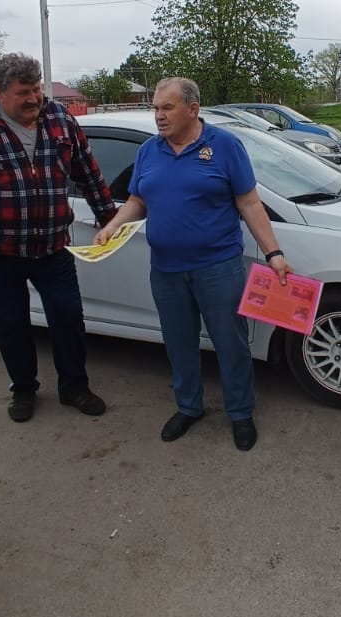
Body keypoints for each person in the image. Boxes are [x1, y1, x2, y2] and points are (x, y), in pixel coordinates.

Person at [92, 77, 292, 451]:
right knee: (179, 343)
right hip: (166, 269)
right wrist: (113, 226)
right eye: (155, 108)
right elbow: (138, 200)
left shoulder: (225, 146)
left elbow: (249, 203)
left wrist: (274, 253)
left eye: (167, 108)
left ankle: (240, 412)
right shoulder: (150, 150)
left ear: (192, 109)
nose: (159, 116)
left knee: (230, 343)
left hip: (218, 266)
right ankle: (188, 406)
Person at [0, 53, 116, 423]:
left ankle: (74, 387)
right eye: (23, 92)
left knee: (68, 317)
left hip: (52, 247)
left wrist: (109, 217)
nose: (34, 98)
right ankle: (23, 389)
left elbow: (87, 170)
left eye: (37, 89)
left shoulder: (60, 118)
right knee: (10, 324)